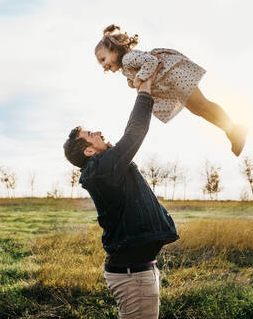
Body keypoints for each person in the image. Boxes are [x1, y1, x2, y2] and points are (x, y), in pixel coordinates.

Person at [63, 66, 179, 318]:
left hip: (139, 271)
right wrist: (144, 89)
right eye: (89, 135)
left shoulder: (104, 168)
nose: (97, 132)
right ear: (89, 151)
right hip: (133, 276)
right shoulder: (102, 169)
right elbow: (134, 133)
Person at [94, 24, 248, 157]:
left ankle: (234, 129)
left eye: (103, 59)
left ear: (113, 50)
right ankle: (229, 130)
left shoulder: (128, 58)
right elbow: (140, 75)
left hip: (174, 76)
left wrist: (138, 78)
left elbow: (151, 61)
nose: (103, 65)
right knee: (198, 109)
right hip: (170, 82)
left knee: (202, 105)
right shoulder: (125, 67)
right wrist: (134, 81)